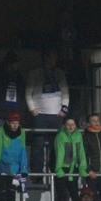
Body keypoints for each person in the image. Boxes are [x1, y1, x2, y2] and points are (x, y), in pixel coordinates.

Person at [25, 47, 69, 175]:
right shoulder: (35, 72)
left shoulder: (59, 72)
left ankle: (55, 171)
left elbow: (65, 91)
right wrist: (32, 109)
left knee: (55, 145)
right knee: (38, 144)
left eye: (56, 57)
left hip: (56, 114)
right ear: (46, 57)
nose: (55, 59)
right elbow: (28, 92)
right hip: (40, 115)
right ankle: (37, 173)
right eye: (52, 56)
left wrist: (64, 109)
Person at [52, 116, 87, 201]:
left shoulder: (78, 135)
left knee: (75, 196)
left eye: (72, 124)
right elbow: (60, 153)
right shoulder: (60, 136)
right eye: (68, 125)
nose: (71, 127)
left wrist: (82, 167)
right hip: (63, 168)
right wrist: (58, 169)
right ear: (64, 126)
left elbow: (81, 153)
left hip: (74, 169)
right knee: (62, 196)